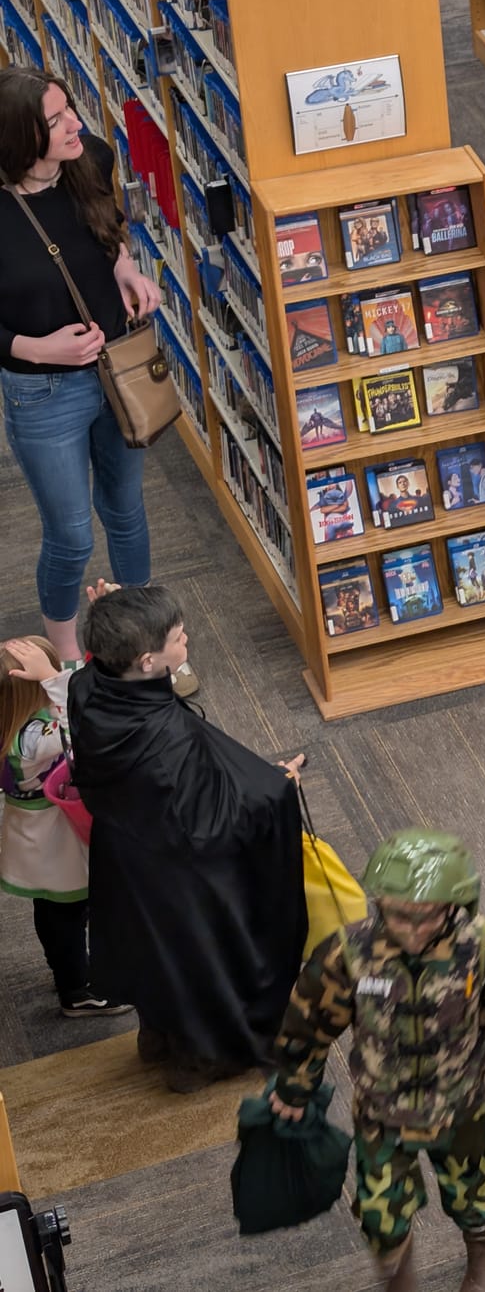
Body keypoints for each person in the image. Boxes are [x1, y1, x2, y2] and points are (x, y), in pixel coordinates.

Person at [267, 831, 485, 1292]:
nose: (412, 931)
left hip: (458, 1109)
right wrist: (295, 1086)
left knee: (475, 1198)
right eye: (399, 916)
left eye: (427, 917)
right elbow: (307, 1022)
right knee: (382, 1215)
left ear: (454, 906)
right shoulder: (350, 952)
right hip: (381, 1112)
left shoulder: (483, 946)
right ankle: (396, 1272)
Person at [66, 583, 307, 1090]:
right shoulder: (166, 743)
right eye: (178, 637)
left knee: (155, 956)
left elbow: (97, 662)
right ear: (150, 661)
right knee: (202, 959)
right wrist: (276, 788)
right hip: (182, 882)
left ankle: (158, 1035)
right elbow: (210, 826)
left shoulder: (87, 689)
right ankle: (202, 1059)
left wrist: (112, 616)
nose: (188, 639)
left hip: (126, 864)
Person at [0, 68, 195, 693]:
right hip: (42, 390)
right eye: (55, 122)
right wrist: (38, 347)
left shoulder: (92, 158)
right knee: (70, 532)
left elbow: (104, 229)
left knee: (126, 509)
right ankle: (66, 662)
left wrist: (127, 270)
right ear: (16, 138)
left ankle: (149, 641)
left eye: (69, 111)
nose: (75, 125)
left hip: (118, 371)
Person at [0, 633, 127, 1017]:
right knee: (65, 911)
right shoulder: (33, 740)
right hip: (51, 838)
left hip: (34, 833)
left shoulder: (14, 723)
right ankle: (77, 990)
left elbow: (74, 682)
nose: (58, 674)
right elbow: (85, 724)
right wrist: (54, 680)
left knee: (56, 908)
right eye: (48, 674)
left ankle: (70, 972)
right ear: (33, 690)